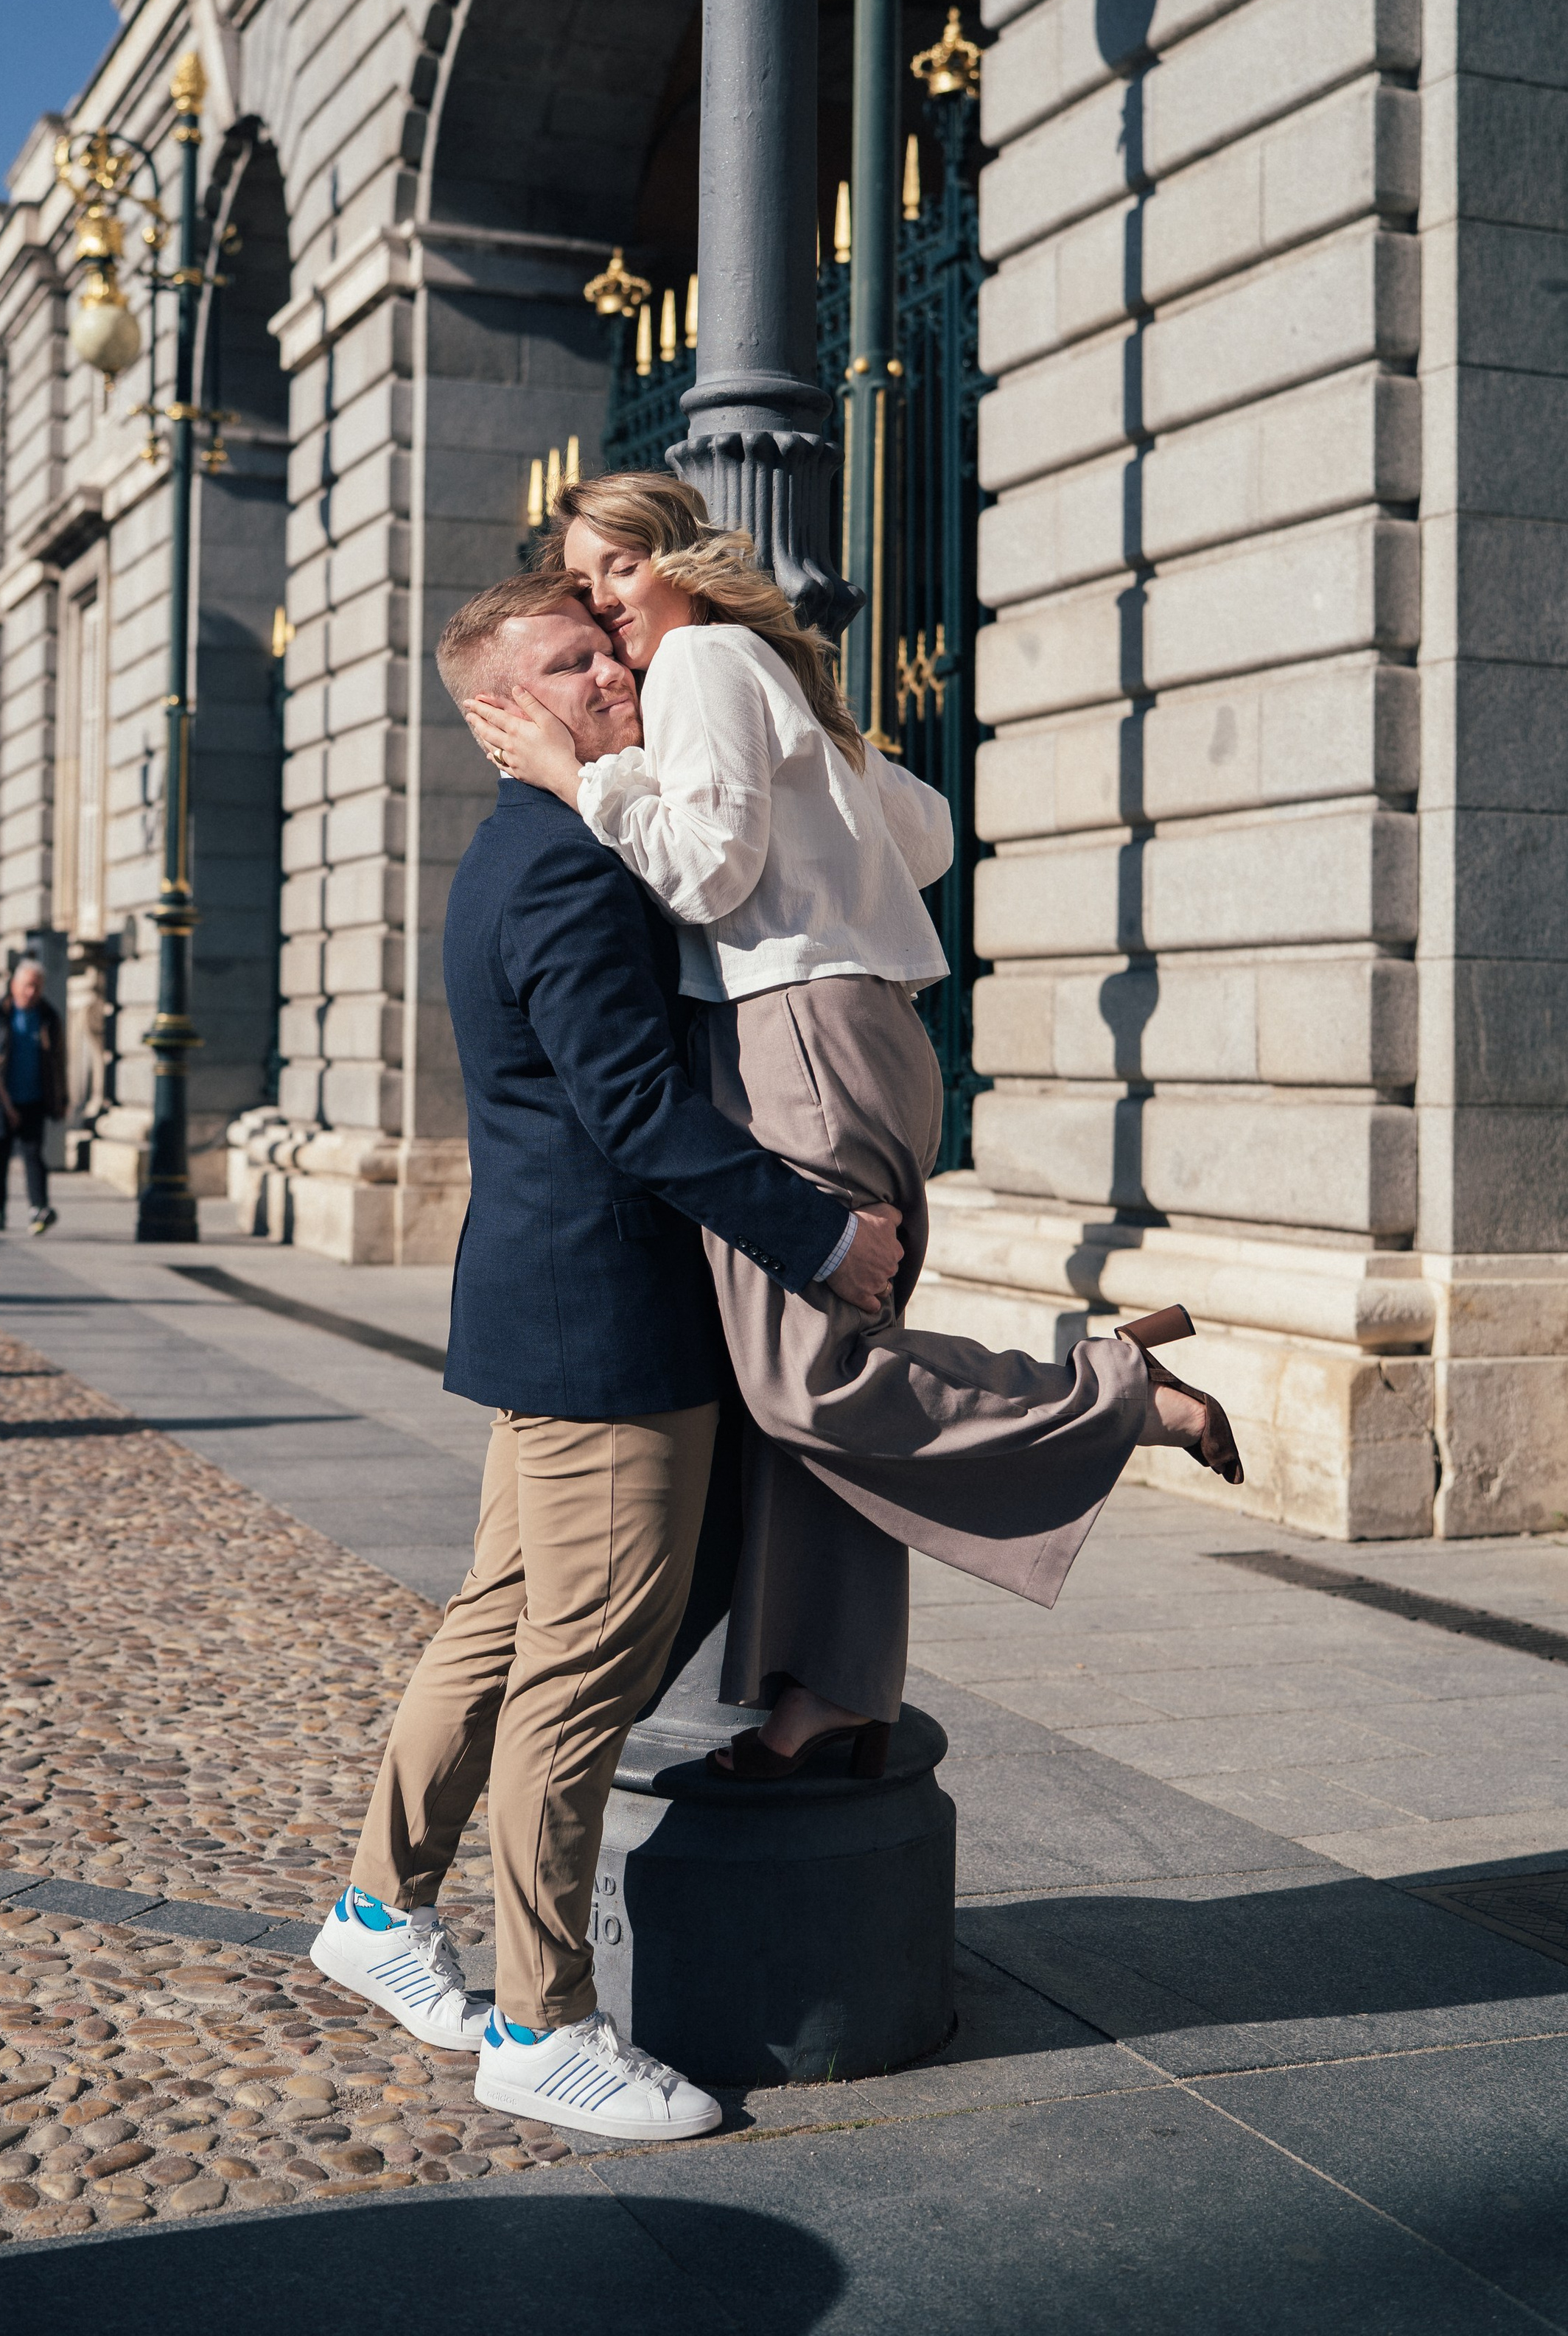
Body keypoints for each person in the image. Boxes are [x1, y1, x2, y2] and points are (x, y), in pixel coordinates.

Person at [467, 473, 1242, 1783]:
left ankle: (1118, 1396)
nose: (598, 603)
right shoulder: (761, 669)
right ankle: (830, 1693)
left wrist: (582, 782)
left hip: (801, 1037)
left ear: (681, 559)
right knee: (814, 1377)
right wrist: (807, 766)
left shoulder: (709, 657)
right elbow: (928, 840)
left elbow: (709, 872)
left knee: (804, 1379)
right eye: (580, 581)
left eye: (612, 570)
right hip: (854, 1030)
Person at [311, 569, 900, 2141]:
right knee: (584, 1669)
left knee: (502, 1623)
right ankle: (540, 2023)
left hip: (548, 1303)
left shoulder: (533, 843)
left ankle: (374, 1914)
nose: (611, 681)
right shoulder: (567, 866)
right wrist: (821, 1238)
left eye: (604, 653)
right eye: (570, 669)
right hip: (605, 1318)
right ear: (498, 711)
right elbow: (637, 1115)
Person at [0, 957, 66, 1235]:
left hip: (34, 1097)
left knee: (33, 1154)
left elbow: (59, 1060)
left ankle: (39, 1209)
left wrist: (62, 1097)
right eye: (27, 986)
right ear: (14, 985)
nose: (32, 992)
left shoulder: (48, 1017)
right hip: (0, 1097)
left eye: (37, 986)